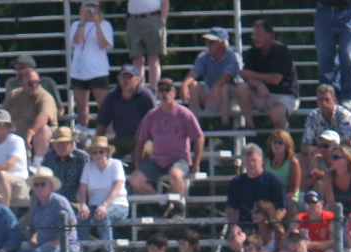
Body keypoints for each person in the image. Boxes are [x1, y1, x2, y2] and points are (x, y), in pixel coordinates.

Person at [130, 78, 203, 206]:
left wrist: (196, 163)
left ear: (174, 93)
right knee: (135, 179)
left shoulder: (184, 113)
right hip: (156, 160)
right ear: (158, 93)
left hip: (179, 159)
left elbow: (199, 137)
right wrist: (138, 163)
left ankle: (181, 205)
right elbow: (141, 140)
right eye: (161, 90)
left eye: (168, 90)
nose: (165, 93)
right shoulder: (151, 115)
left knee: (174, 176)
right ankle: (162, 203)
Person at [9, 166, 75, 252]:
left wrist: (56, 242)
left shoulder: (59, 201)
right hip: (43, 247)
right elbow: (32, 229)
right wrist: (32, 241)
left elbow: (72, 223)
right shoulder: (37, 206)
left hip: (66, 248)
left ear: (50, 186)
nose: (39, 187)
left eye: (42, 184)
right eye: (36, 184)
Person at [238, 19, 299, 132]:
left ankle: (285, 143)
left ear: (270, 36)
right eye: (254, 35)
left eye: (259, 35)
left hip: (285, 96)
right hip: (263, 95)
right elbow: (245, 75)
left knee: (274, 114)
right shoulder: (252, 52)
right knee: (241, 88)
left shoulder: (281, 51)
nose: (255, 38)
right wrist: (258, 84)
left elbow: (276, 79)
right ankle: (249, 126)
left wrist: (253, 75)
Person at [75, 136, 129, 252]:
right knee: (82, 216)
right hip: (94, 204)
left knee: (102, 215)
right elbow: (83, 188)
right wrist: (83, 204)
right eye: (95, 152)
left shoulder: (116, 164)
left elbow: (117, 187)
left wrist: (104, 205)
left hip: (118, 204)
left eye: (101, 151)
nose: (98, 155)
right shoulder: (88, 166)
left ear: (107, 153)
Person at [225, 144, 286, 252]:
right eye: (248, 161)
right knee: (236, 241)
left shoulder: (273, 180)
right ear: (243, 163)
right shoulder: (237, 182)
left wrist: (269, 223)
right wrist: (234, 226)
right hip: (246, 226)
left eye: (254, 160)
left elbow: (282, 208)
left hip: (269, 227)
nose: (251, 164)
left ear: (262, 161)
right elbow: (231, 208)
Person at [66, 0, 116, 128]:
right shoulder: (76, 24)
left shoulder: (105, 25)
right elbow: (76, 41)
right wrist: (82, 21)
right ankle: (83, 134)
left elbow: (104, 44)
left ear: (98, 9)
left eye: (93, 7)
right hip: (79, 71)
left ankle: (108, 135)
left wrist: (97, 24)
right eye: (87, 7)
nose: (90, 11)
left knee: (104, 107)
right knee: (81, 109)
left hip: (98, 71)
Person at [95, 64, 155, 157]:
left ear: (137, 80)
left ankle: (138, 172)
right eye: (124, 77)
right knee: (104, 154)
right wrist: (97, 145)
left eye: (130, 77)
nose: (126, 80)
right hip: (120, 139)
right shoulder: (112, 96)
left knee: (145, 152)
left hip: (142, 139)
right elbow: (102, 122)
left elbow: (156, 120)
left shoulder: (146, 95)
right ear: (119, 79)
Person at [183, 27, 242, 120]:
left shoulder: (233, 56)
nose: (208, 44)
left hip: (232, 99)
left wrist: (216, 87)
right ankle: (194, 125)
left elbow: (228, 76)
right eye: (207, 41)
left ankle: (225, 125)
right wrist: (185, 85)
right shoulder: (204, 56)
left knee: (224, 87)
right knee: (193, 86)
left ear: (222, 43)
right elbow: (193, 73)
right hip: (212, 95)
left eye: (211, 42)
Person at [300, 84, 351, 171]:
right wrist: (311, 151)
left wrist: (328, 152)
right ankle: (305, 184)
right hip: (322, 153)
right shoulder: (313, 116)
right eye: (321, 99)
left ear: (334, 100)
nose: (323, 103)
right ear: (317, 101)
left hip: (345, 154)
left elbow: (349, 143)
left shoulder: (345, 116)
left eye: (327, 99)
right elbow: (305, 144)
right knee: (301, 157)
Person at [0, 66, 56, 158]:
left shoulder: (45, 97)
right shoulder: (14, 95)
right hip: (14, 137)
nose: (34, 85)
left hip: (36, 139)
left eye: (36, 82)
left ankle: (37, 164)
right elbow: (2, 114)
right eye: (30, 83)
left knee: (43, 129)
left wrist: (31, 132)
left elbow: (44, 117)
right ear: (21, 83)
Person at [314, 0, 351, 105]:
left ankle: (347, 96)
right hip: (324, 11)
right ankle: (328, 97)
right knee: (324, 57)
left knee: (348, 55)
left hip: (347, 12)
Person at [40, 125, 89, 205]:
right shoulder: (49, 156)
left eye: (64, 143)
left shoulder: (81, 157)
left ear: (71, 144)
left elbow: (86, 185)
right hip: (53, 203)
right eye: (58, 143)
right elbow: (42, 180)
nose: (60, 147)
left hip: (75, 203)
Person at [125, 0, 169, 88]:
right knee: (137, 60)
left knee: (153, 60)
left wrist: (162, 21)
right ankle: (139, 93)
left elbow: (166, 1)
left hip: (153, 18)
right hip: (133, 20)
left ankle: (154, 94)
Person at [294, 187, 336, 252]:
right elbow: (289, 241)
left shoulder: (330, 217)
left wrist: (311, 245)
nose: (310, 205)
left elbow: (334, 242)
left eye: (313, 202)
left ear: (321, 203)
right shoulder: (299, 218)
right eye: (307, 202)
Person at [264, 130, 301, 196]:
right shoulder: (265, 160)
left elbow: (293, 190)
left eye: (280, 143)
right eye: (274, 142)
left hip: (289, 197)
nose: (277, 145)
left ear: (286, 145)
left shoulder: (293, 162)